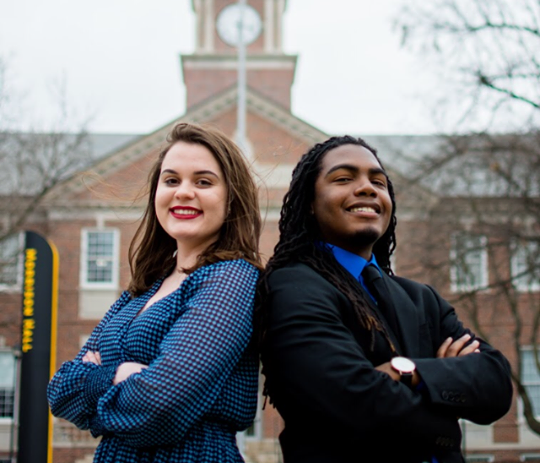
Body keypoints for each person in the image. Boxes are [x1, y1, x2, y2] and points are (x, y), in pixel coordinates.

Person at [257, 135, 513, 463]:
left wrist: (405, 371)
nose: (367, 188)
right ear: (309, 201)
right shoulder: (290, 286)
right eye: (344, 178)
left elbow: (496, 382)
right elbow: (355, 401)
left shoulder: (422, 299)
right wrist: (447, 410)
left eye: (378, 181)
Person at [48, 122, 262, 463]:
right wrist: (120, 375)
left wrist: (98, 383)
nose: (183, 192)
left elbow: (160, 404)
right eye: (171, 180)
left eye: (203, 182)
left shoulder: (231, 279)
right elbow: (60, 390)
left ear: (231, 198)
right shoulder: (145, 286)